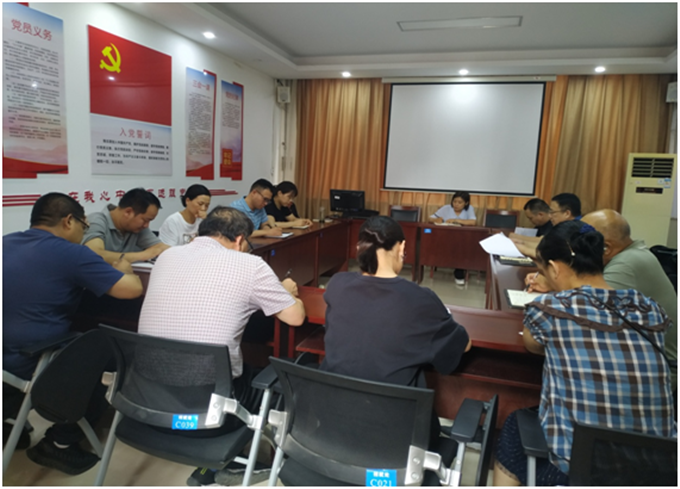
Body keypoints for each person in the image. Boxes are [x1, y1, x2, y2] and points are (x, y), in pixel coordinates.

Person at [493, 221, 676, 486]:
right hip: (657, 471)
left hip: (579, 472)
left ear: (554, 268)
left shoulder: (548, 309)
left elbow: (533, 345)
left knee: (514, 426)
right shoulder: (649, 308)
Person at [138, 206, 306, 486]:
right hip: (209, 410)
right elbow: (295, 317)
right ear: (239, 240)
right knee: (277, 383)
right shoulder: (250, 265)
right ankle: (229, 463)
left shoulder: (167, 256)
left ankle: (213, 461)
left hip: (146, 398)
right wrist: (286, 291)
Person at [3, 193, 143, 475]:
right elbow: (131, 289)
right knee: (107, 350)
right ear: (68, 221)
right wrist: (126, 269)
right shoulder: (70, 253)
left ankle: (8, 424)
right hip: (24, 363)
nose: (83, 232)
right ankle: (61, 442)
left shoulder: (5, 242)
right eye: (83, 226)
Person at [321, 216, 471, 442]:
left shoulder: (337, 284)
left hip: (333, 423)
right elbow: (462, 346)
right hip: (396, 434)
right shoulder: (420, 299)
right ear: (401, 248)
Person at [82, 187, 170, 264]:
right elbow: (94, 254)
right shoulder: (96, 221)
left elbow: (160, 247)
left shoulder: (138, 228)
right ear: (128, 212)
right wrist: (142, 255)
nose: (146, 225)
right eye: (145, 220)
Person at [511, 192, 584, 258]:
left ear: (567, 213)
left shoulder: (573, 229)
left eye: (553, 212)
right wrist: (521, 243)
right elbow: (547, 244)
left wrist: (521, 247)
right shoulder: (570, 225)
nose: (550, 216)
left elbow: (550, 254)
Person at [428, 191, 476, 285]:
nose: (456, 204)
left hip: (462, 240)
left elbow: (473, 222)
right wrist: (436, 219)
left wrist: (455, 220)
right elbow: (430, 218)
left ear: (466, 203)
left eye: (460, 202)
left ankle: (459, 272)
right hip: (445, 238)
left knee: (462, 248)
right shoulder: (446, 208)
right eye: (454, 201)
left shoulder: (469, 209)